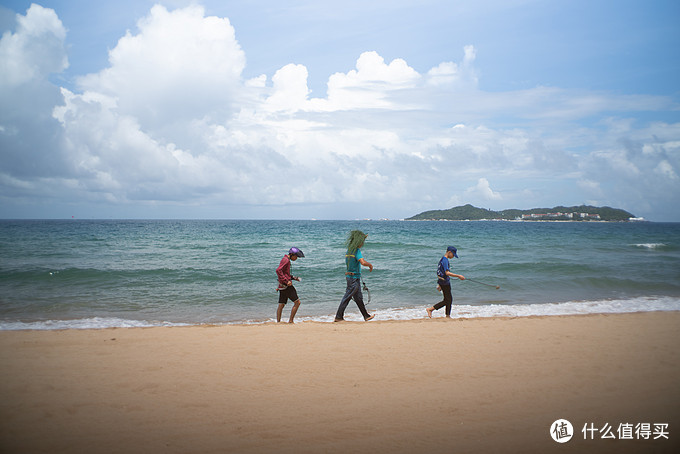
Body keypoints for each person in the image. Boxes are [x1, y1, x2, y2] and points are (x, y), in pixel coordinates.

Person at [334, 230, 375, 322]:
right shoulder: (356, 251)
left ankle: (366, 315)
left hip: (351, 277)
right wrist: (370, 265)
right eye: (362, 241)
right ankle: (338, 316)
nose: (362, 243)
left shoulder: (349, 250)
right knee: (347, 297)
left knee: (358, 298)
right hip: (353, 279)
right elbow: (362, 262)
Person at [426, 246, 465, 318]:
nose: (453, 256)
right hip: (444, 282)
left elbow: (440, 272)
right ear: (449, 252)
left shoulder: (442, 259)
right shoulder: (445, 260)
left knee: (448, 299)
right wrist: (459, 276)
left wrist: (439, 284)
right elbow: (447, 273)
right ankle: (431, 309)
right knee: (448, 300)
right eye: (453, 255)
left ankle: (447, 315)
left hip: (442, 282)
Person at [276, 247, 304, 323]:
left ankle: (278, 322)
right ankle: (291, 321)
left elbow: (285, 273)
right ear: (291, 254)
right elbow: (278, 270)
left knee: (281, 304)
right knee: (297, 302)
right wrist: (286, 281)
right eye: (296, 256)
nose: (296, 258)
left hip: (282, 286)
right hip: (286, 286)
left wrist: (294, 278)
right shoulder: (286, 260)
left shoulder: (285, 259)